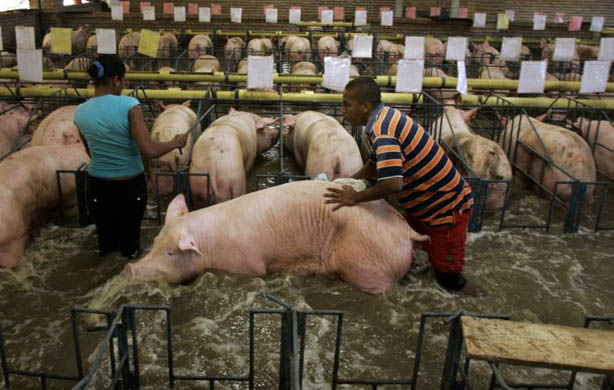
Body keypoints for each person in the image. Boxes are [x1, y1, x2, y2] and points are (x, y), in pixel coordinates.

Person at [323, 77, 485, 297]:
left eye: (347, 104)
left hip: (446, 210)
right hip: (424, 204)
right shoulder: (380, 121)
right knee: (414, 257)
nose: (343, 110)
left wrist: (356, 197)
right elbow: (375, 163)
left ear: (365, 106)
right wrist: (350, 181)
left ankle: (481, 305)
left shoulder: (383, 132)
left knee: (449, 279)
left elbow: (393, 184)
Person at [74, 54, 188, 259]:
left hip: (96, 187)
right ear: (117, 79)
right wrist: (175, 142)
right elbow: (149, 150)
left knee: (106, 245)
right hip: (128, 187)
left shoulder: (80, 111)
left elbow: (90, 151)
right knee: (131, 248)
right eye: (123, 81)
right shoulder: (128, 105)